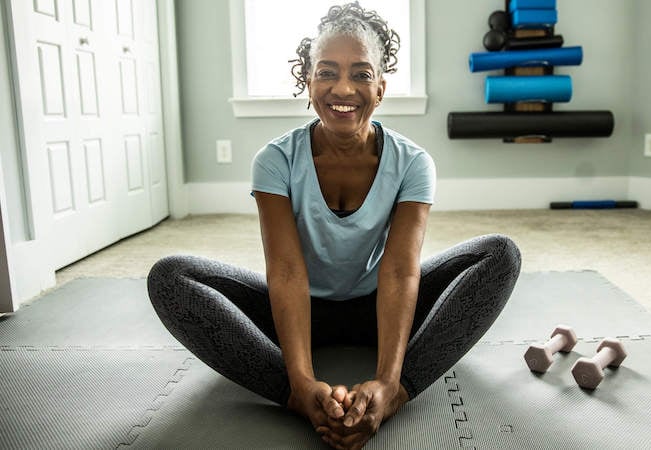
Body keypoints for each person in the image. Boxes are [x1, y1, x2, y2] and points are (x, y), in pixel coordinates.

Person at [147, 3, 521, 449]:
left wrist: (387, 380)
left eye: (361, 74)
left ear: (380, 89)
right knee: (171, 278)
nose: (343, 87)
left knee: (500, 254)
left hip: (379, 304)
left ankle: (397, 395)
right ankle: (296, 397)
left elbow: (401, 271)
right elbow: (285, 272)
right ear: (308, 82)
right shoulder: (275, 161)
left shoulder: (414, 163)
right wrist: (303, 381)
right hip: (298, 309)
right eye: (327, 72)